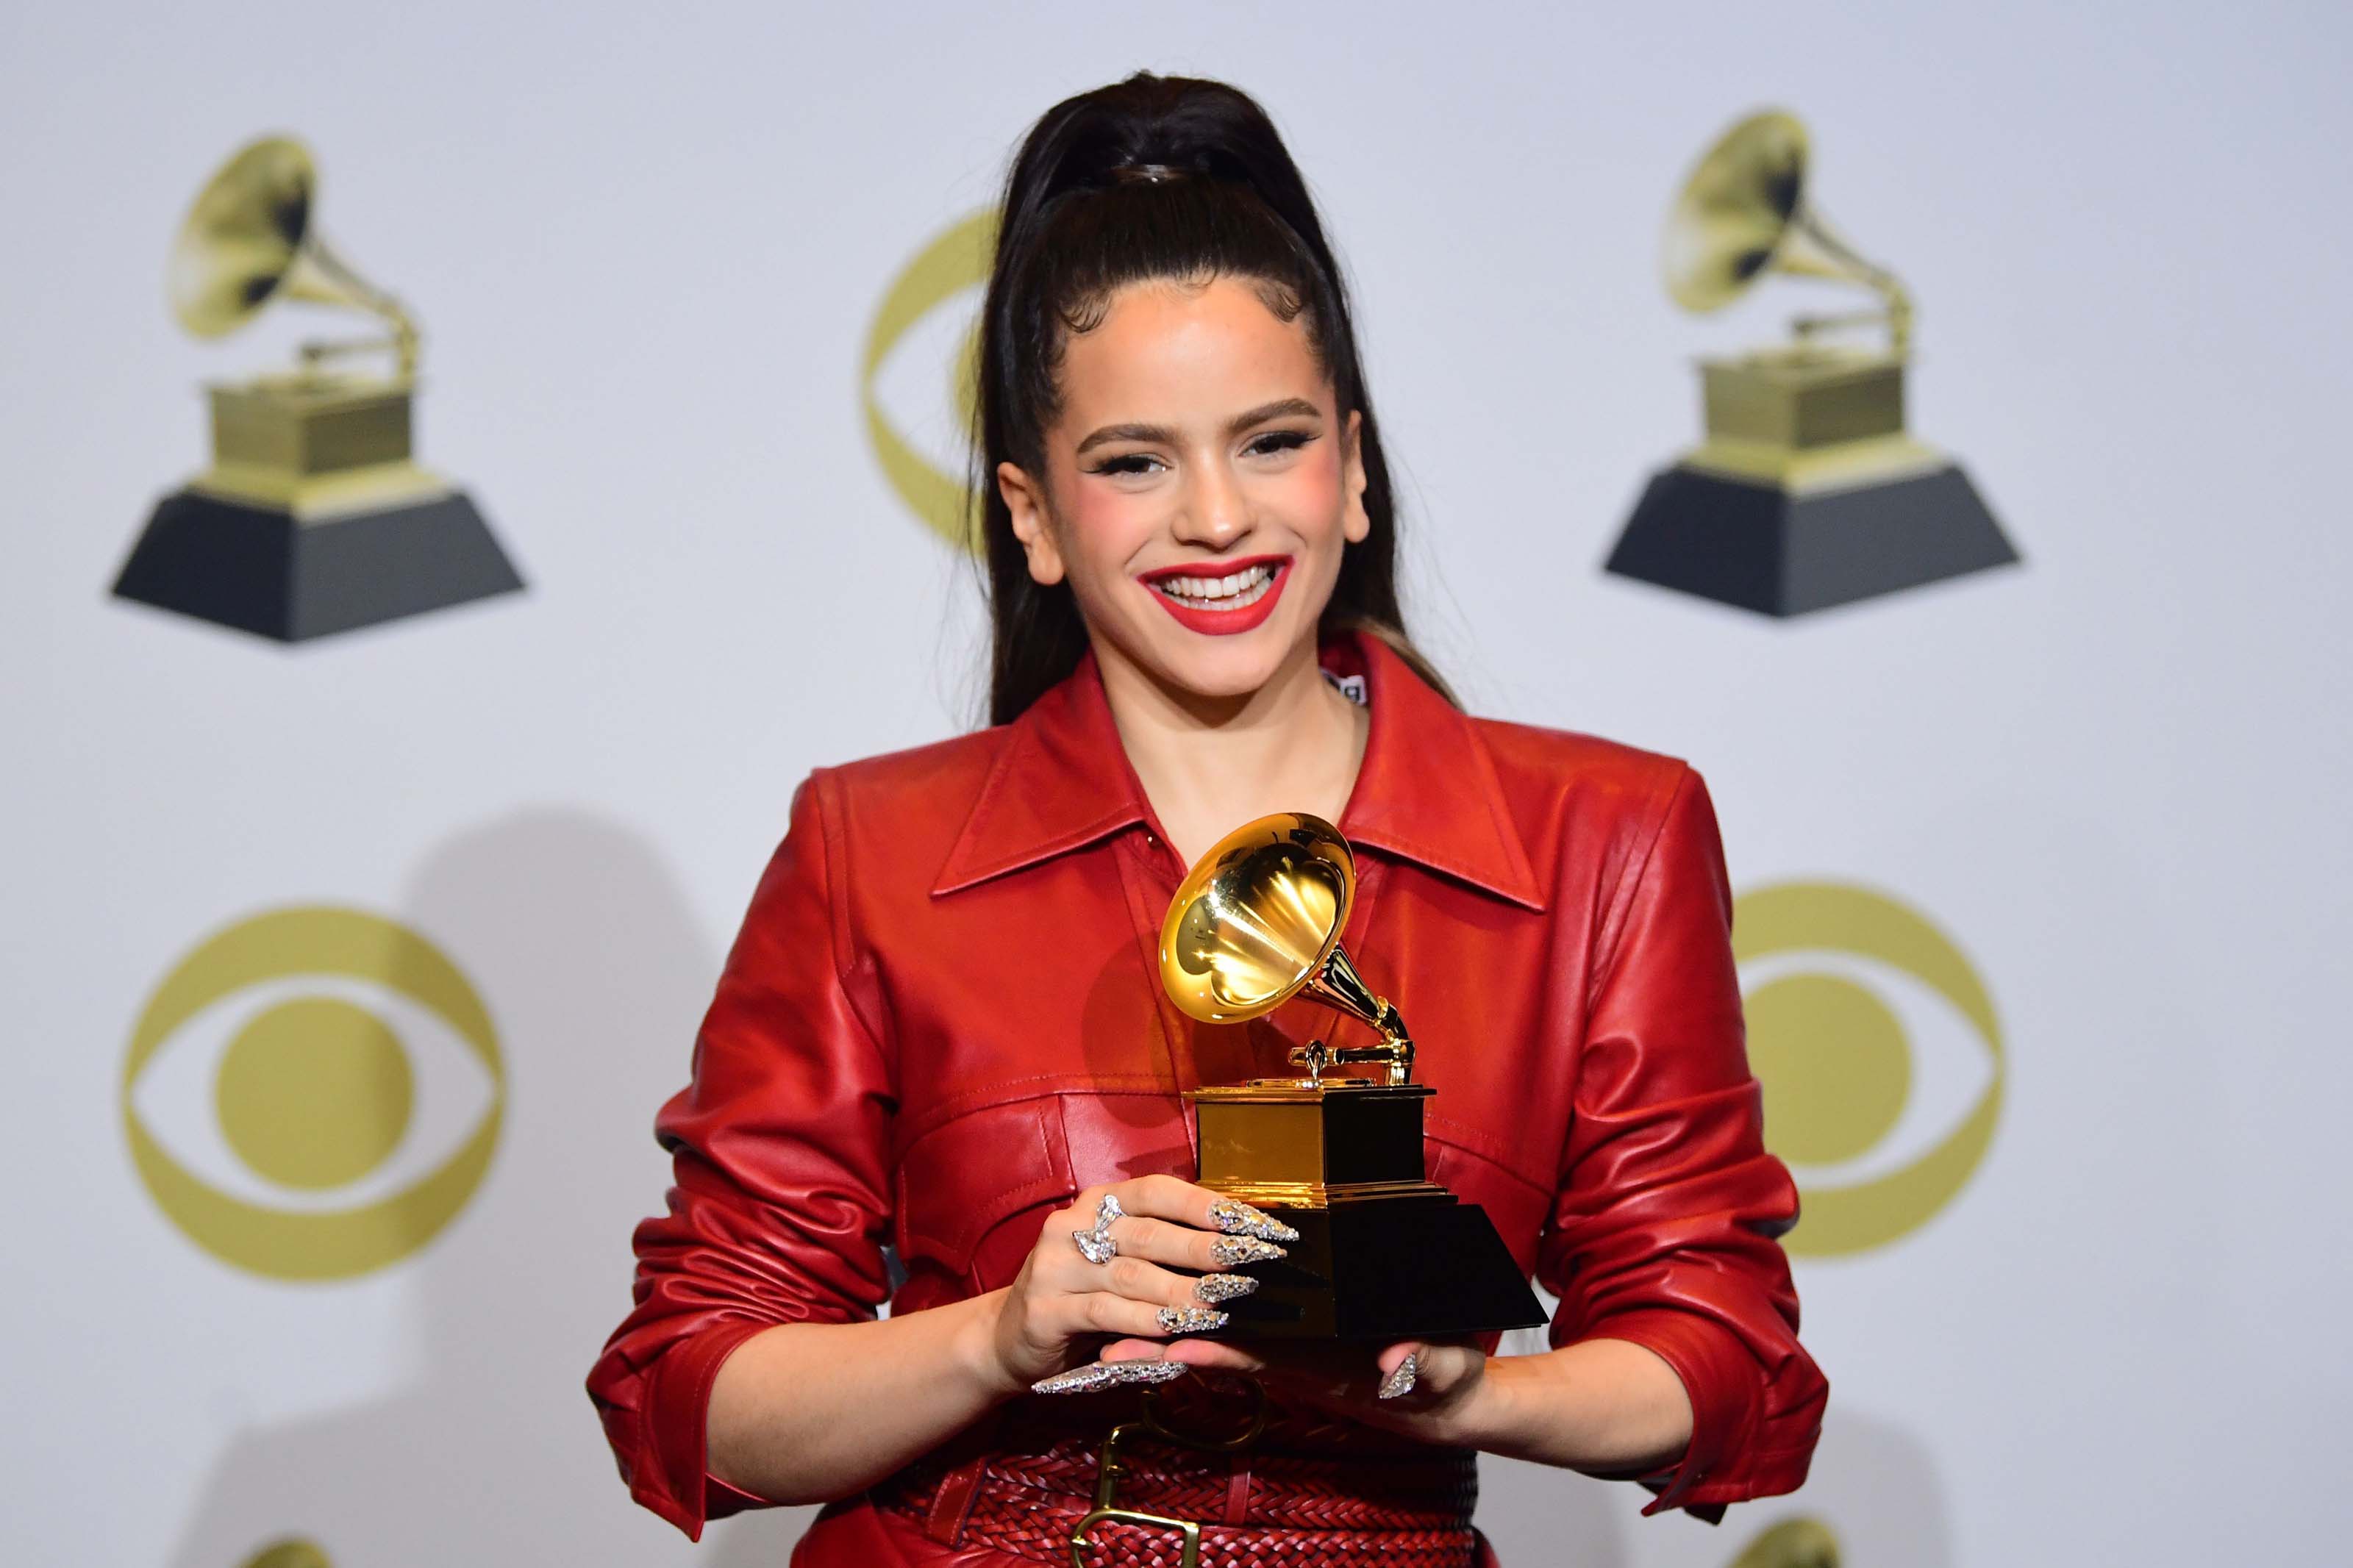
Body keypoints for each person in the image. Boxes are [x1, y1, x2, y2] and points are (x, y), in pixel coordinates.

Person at [588, 71, 1825, 1568]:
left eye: (1270, 441)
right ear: (1033, 514)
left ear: (1354, 471)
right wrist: (1005, 1331)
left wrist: (1475, 1390)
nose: (1219, 518)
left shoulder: (1604, 832)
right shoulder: (873, 846)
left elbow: (1722, 1354)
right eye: (1133, 463)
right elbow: (692, 1391)